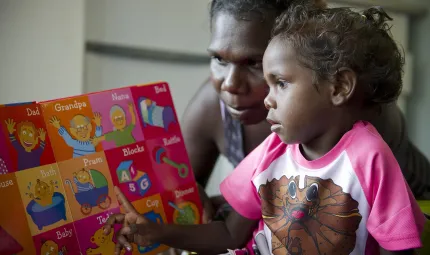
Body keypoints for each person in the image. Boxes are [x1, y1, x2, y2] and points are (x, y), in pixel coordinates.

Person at [105, 5, 426, 255]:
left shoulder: (369, 158)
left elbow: (397, 247)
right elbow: (231, 234)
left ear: (339, 87)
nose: (268, 99)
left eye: (281, 83)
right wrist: (155, 231)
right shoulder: (273, 151)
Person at [181, 0, 430, 223]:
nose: (230, 84)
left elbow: (340, 216)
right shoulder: (214, 106)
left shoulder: (353, 111)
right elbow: (183, 190)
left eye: (254, 63)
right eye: (220, 60)